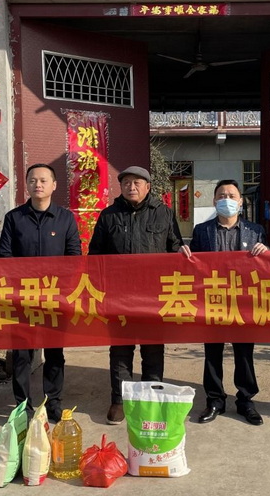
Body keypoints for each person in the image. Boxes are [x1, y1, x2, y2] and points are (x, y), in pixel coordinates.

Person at [88, 165, 183, 425]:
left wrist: (182, 253)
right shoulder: (109, 216)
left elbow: (174, 248)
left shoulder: (163, 213)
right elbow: (95, 255)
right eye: (126, 182)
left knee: (153, 349)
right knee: (121, 349)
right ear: (121, 186)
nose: (131, 187)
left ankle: (152, 398)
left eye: (137, 182)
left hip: (153, 296)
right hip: (119, 296)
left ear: (148, 187)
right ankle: (120, 400)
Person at [179, 179, 269, 426]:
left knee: (244, 353)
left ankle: (246, 401)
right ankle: (214, 400)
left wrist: (267, 250)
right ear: (214, 200)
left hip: (244, 302)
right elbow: (193, 265)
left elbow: (268, 264)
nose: (226, 200)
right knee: (212, 353)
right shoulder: (202, 231)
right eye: (221, 196)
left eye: (231, 196)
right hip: (213, 299)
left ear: (240, 201)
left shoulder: (255, 231)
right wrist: (184, 255)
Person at [0, 163, 81, 423]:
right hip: (23, 297)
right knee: (22, 354)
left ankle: (53, 402)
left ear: (54, 185)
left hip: (55, 297)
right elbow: (5, 255)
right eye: (33, 180)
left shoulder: (65, 218)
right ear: (27, 184)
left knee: (54, 352)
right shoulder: (14, 218)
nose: (38, 184)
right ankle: (22, 404)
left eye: (44, 180)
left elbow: (74, 256)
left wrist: (63, 290)